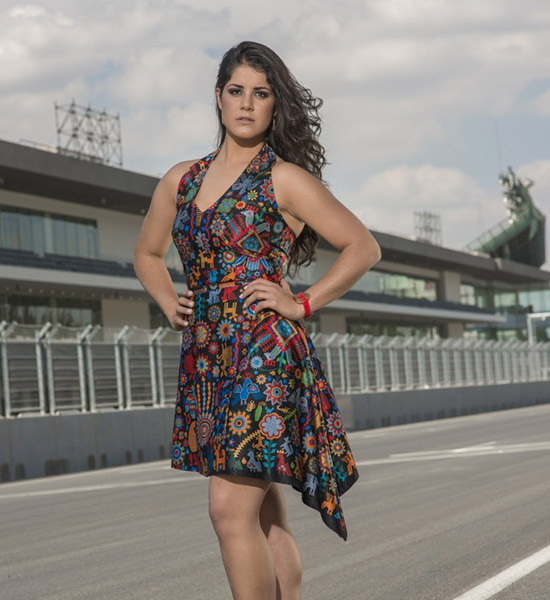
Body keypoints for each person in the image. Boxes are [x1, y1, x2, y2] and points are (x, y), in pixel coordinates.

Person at [134, 40, 382, 600]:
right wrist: (166, 297)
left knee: (227, 510)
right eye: (236, 90)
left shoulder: (284, 178)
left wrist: (304, 302)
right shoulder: (181, 180)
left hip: (265, 354)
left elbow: (362, 247)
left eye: (261, 93)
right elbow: (147, 252)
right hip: (209, 358)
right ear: (218, 99)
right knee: (264, 515)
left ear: (274, 105)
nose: (247, 104)